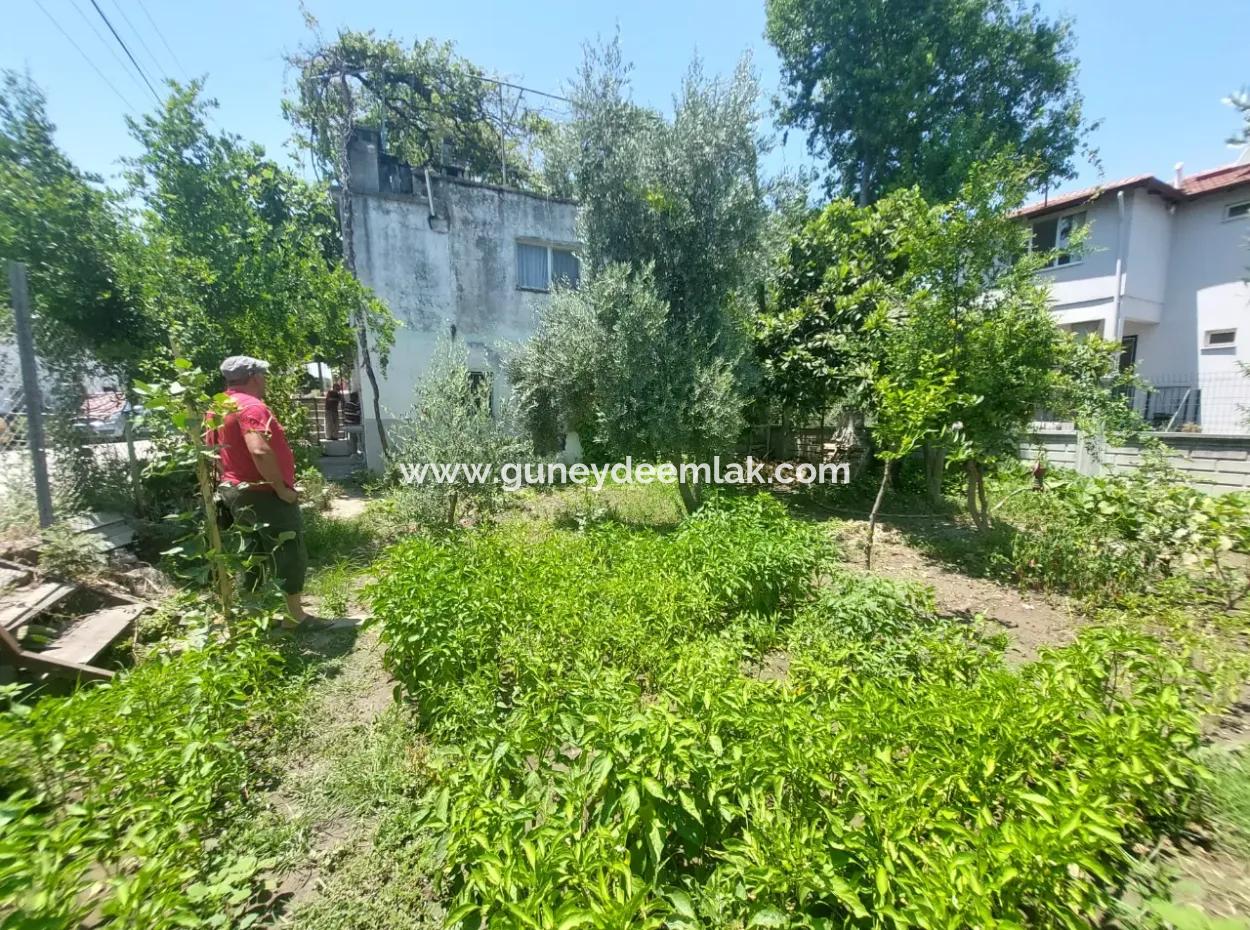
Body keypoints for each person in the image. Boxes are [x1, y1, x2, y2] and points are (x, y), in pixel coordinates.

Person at [213, 355, 313, 627]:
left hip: (234, 490)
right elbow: (258, 449)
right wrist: (280, 488)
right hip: (263, 493)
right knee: (289, 548)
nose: (265, 381)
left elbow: (213, 451)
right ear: (256, 377)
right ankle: (295, 617)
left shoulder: (218, 406)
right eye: (264, 376)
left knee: (252, 552)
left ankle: (253, 615)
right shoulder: (251, 407)